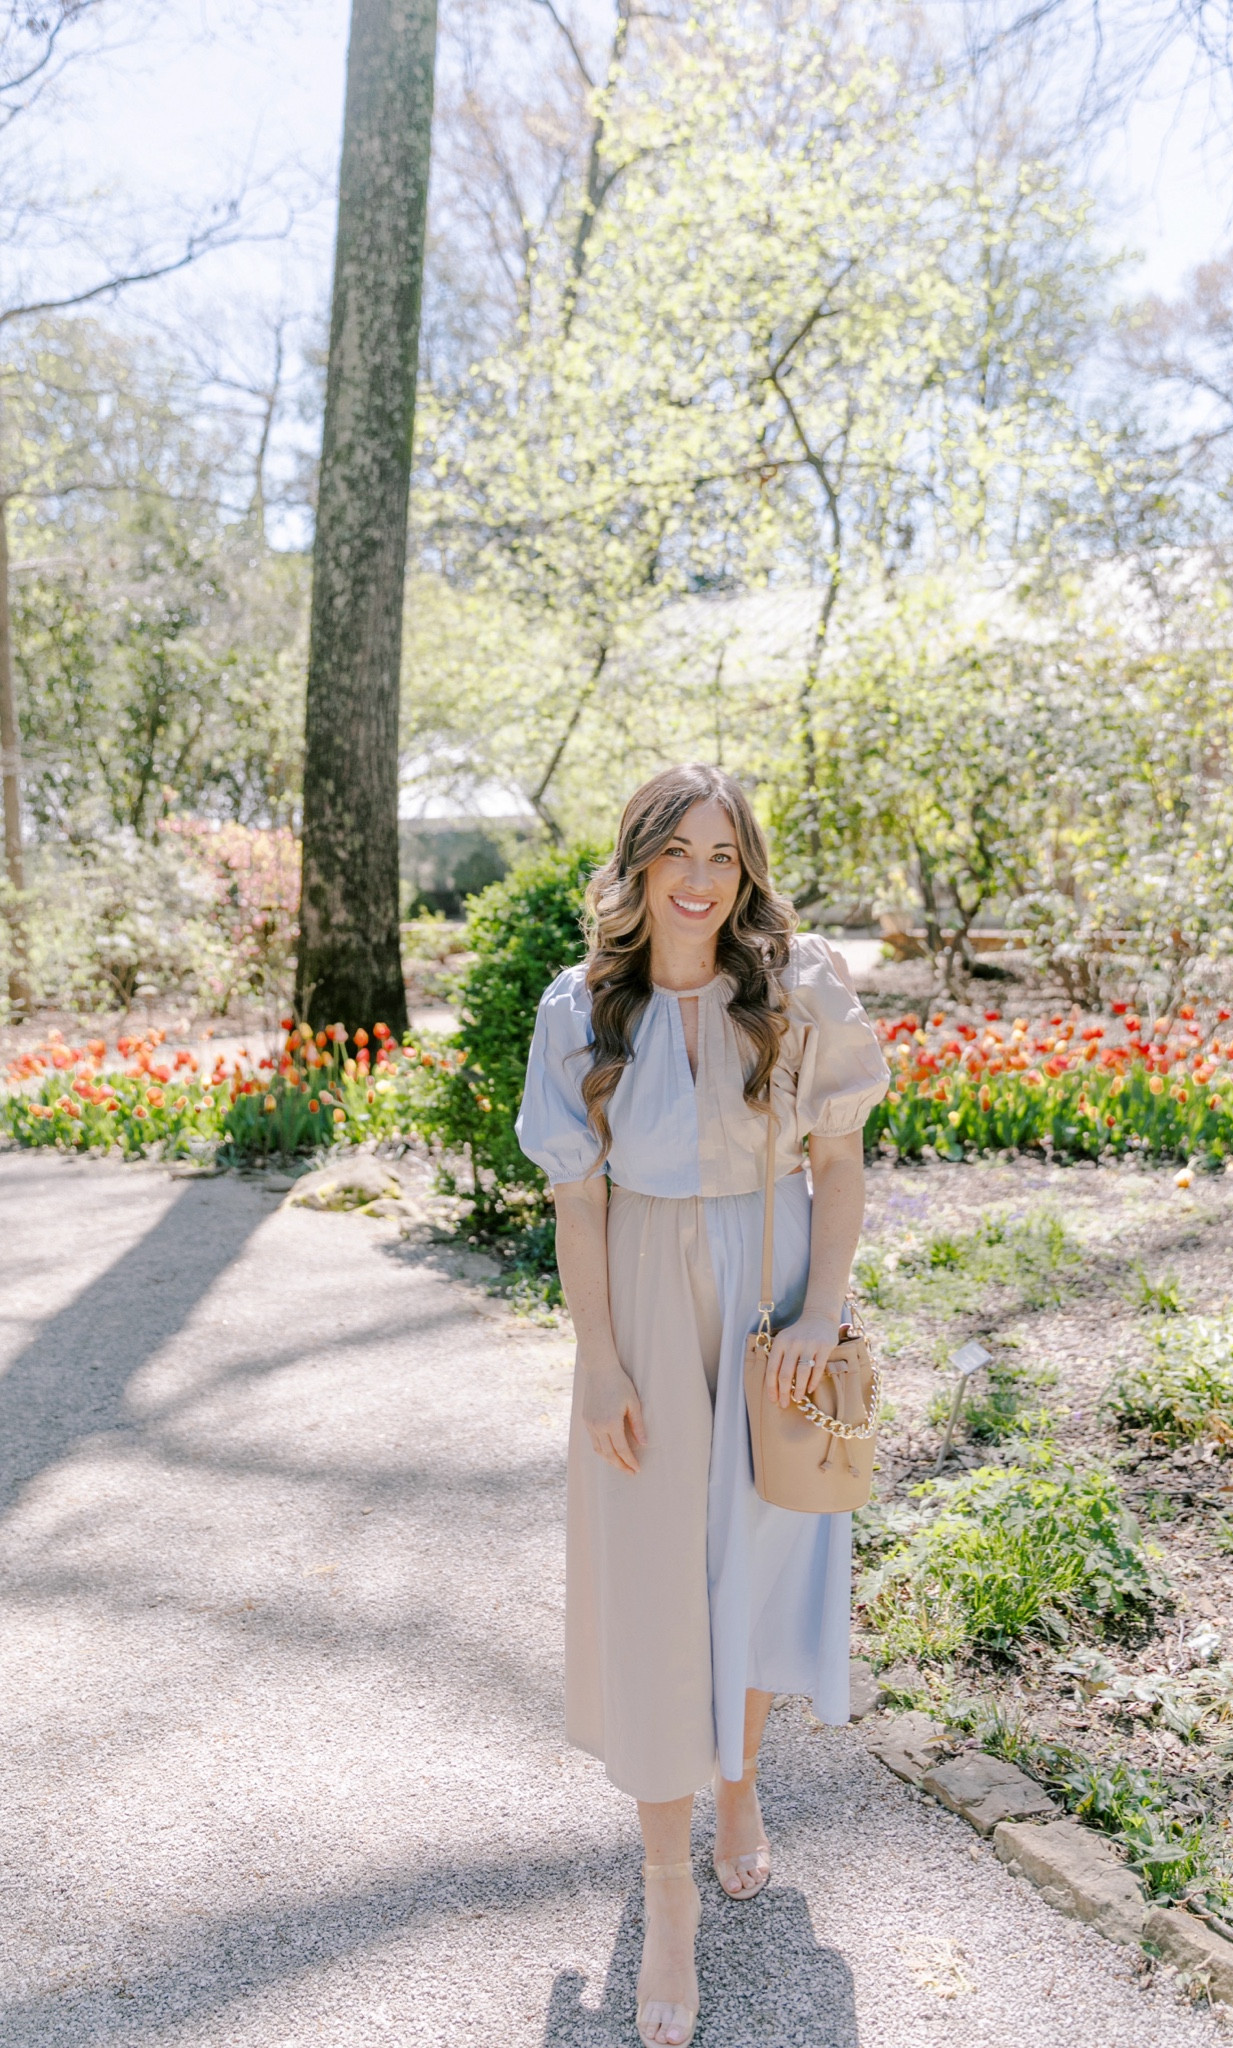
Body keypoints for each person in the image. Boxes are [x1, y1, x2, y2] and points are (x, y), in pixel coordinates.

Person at [516, 764, 888, 2047]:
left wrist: (816, 1308)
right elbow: (576, 1199)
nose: (698, 876)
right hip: (644, 1287)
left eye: (722, 854)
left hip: (773, 1287)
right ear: (635, 866)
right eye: (676, 850)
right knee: (658, 1580)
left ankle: (739, 1780)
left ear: (745, 870)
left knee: (759, 1556)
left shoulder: (795, 985)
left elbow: (836, 1163)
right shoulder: (581, 1009)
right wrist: (599, 1360)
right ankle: (664, 1889)